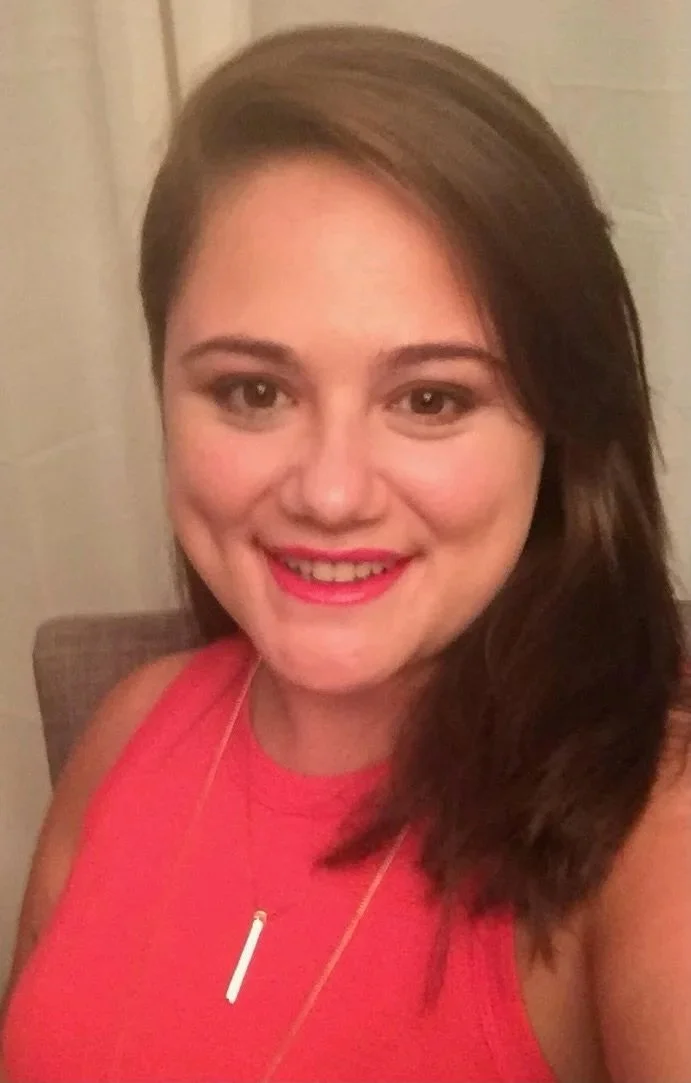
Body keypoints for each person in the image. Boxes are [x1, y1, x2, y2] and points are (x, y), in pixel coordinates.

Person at [2, 22, 690, 1083]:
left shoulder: (650, 833)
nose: (329, 492)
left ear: (556, 433)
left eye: (431, 398)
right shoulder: (126, 730)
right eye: (253, 391)